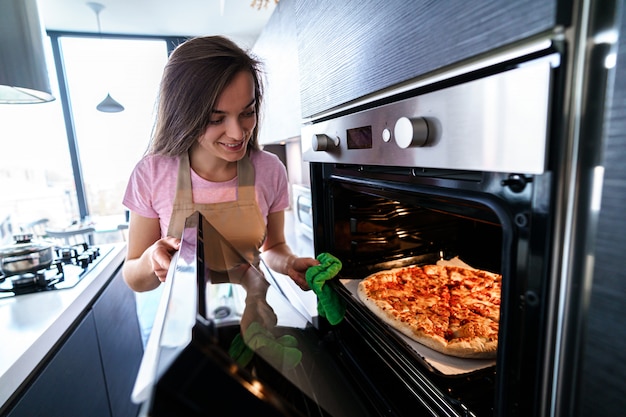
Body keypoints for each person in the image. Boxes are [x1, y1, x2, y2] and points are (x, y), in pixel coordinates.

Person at [121, 35, 318, 296]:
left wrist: (290, 263)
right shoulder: (151, 174)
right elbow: (134, 278)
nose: (238, 134)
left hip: (255, 316)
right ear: (184, 116)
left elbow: (273, 248)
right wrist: (150, 260)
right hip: (188, 325)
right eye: (216, 119)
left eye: (247, 113)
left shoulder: (270, 169)